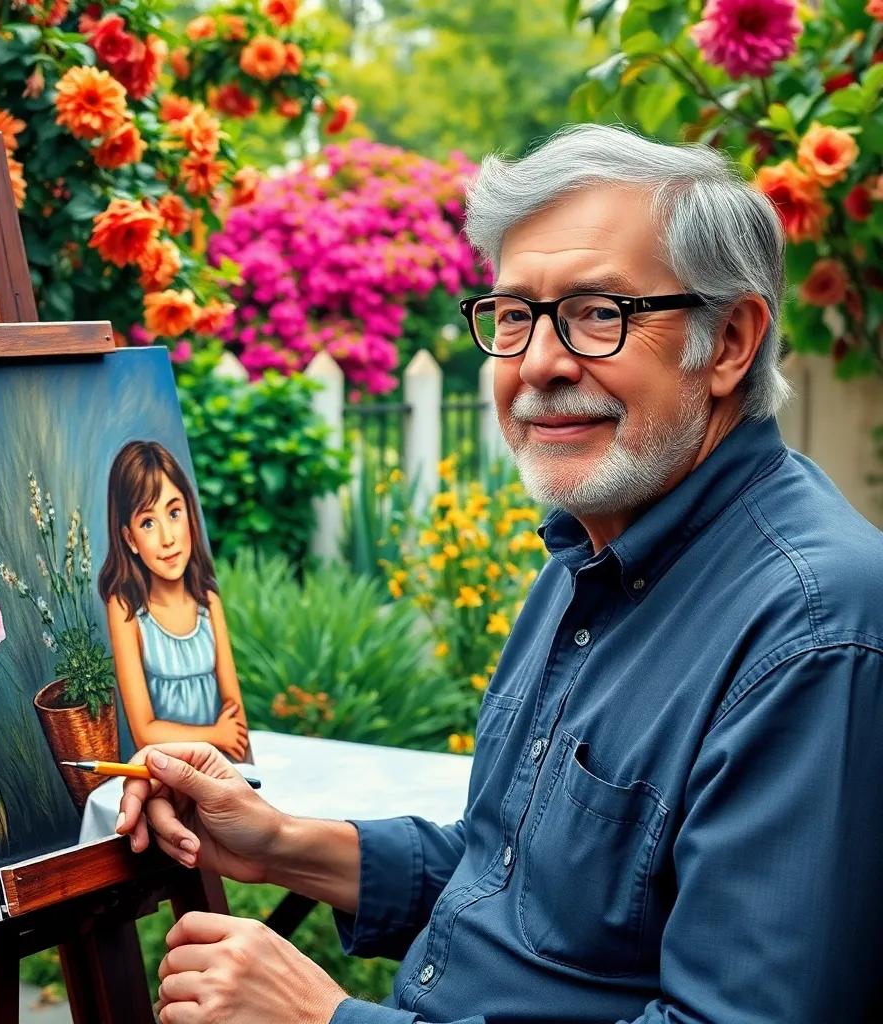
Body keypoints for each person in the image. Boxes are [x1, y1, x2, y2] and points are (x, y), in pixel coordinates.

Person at [117, 124, 883, 1023]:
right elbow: (515, 876)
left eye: (601, 313)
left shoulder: (813, 628)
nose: (540, 364)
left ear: (729, 343)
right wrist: (281, 843)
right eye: (514, 315)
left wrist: (326, 1020)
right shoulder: (591, 554)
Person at [98, 440, 249, 760]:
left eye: (174, 512)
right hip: (162, 767)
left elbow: (236, 719)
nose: (168, 538)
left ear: (191, 514)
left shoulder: (207, 602)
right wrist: (215, 735)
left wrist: (233, 754)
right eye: (148, 523)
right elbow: (144, 732)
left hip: (219, 768)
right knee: (156, 807)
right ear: (130, 539)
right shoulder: (125, 607)